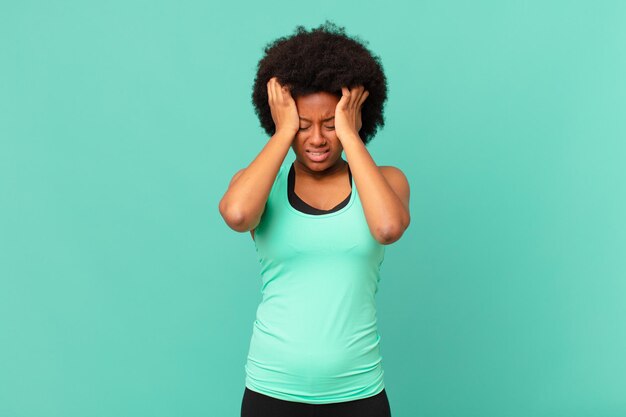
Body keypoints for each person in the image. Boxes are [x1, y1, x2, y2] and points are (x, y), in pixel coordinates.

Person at [219, 20, 410, 417]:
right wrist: (283, 129)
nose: (318, 139)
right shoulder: (260, 186)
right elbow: (237, 215)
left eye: (330, 125)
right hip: (271, 391)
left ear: (354, 119)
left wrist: (352, 136)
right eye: (304, 126)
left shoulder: (385, 182)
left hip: (358, 393)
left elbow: (388, 228)